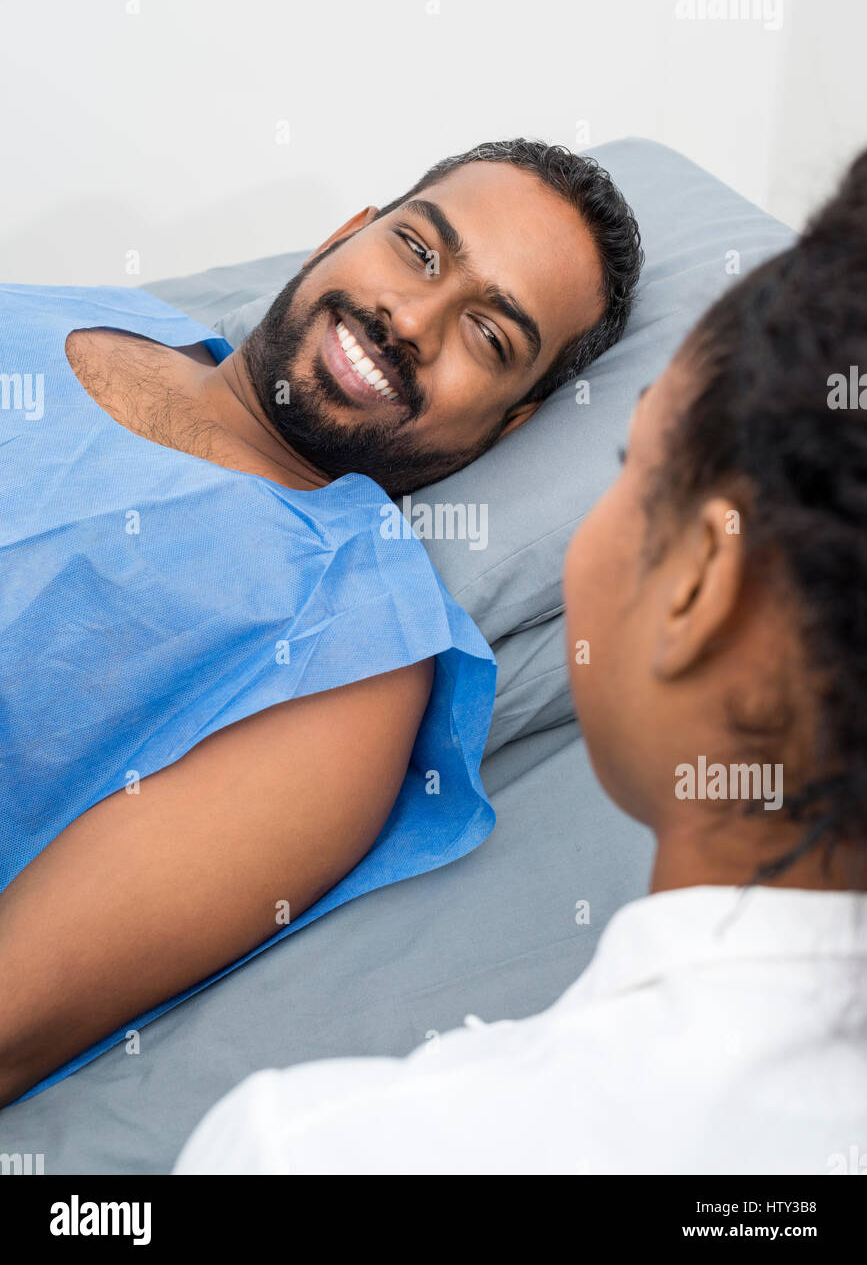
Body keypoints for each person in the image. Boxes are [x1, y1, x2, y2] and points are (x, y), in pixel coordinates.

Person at [174, 149, 867, 1176]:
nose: (407, 319)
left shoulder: (319, 1149)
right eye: (413, 247)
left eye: (632, 469)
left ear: (695, 586)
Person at [0, 140, 642, 1105]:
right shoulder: (57, 315)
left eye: (489, 337)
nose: (411, 318)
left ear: (509, 425)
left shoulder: (351, 655)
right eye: (419, 252)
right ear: (346, 234)